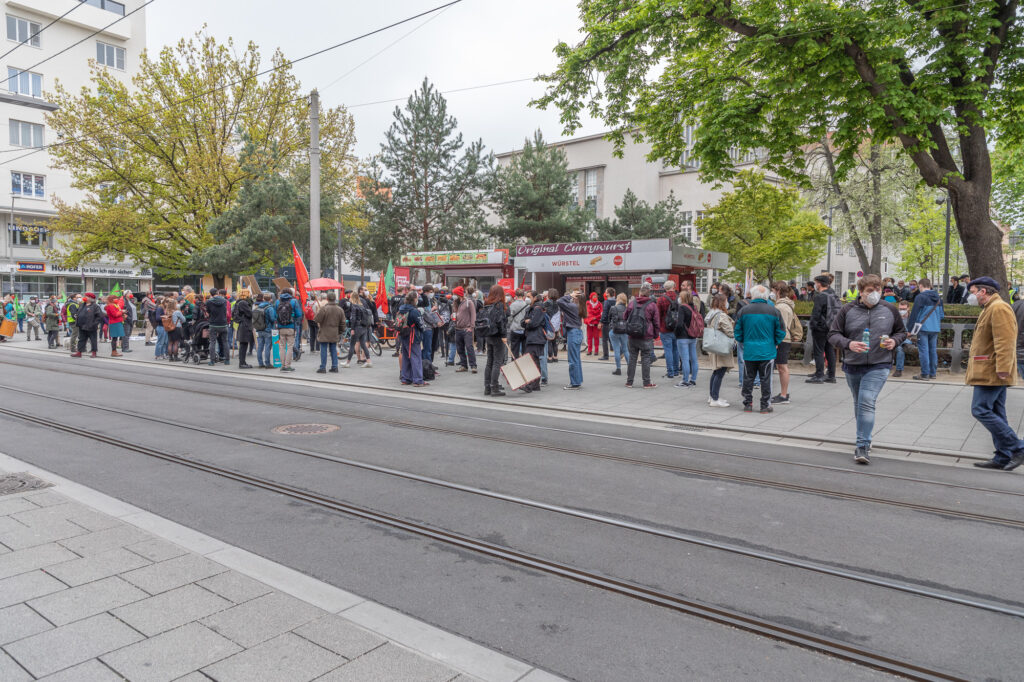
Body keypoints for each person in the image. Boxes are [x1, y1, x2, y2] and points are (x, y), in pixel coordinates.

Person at [828, 274, 907, 465]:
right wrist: (849, 344)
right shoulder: (848, 309)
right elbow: (833, 334)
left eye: (878, 289)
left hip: (879, 364)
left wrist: (894, 341)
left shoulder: (889, 309)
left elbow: (902, 332)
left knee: (866, 401)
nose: (875, 294)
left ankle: (862, 445)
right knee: (858, 402)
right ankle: (865, 436)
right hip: (853, 364)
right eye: (870, 291)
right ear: (861, 292)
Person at [964, 277, 1024, 471]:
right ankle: (1003, 455)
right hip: (990, 369)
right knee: (997, 412)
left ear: (984, 291)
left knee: (980, 409)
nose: (971, 296)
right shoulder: (991, 308)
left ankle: (1018, 447)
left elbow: (1005, 341)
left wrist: (1004, 368)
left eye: (973, 291)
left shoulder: (998, 308)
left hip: (992, 371)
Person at [735, 285, 785, 413]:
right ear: (766, 296)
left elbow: (737, 330)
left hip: (749, 350)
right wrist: (775, 342)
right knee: (766, 378)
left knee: (748, 377)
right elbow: (781, 331)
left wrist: (743, 341)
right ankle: (764, 405)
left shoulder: (744, 310)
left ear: (752, 295)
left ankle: (748, 403)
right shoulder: (773, 311)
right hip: (767, 350)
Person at [905, 277, 943, 381]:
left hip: (923, 327)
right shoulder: (939, 298)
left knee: (923, 351)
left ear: (920, 286)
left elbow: (914, 314)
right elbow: (941, 315)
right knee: (932, 350)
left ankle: (925, 374)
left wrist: (909, 329)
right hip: (935, 327)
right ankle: (932, 373)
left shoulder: (920, 297)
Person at [770, 282, 802, 405]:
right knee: (781, 366)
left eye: (773, 290)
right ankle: (783, 394)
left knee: (782, 367)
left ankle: (784, 395)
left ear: (778, 291)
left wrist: (777, 341)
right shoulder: (784, 305)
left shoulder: (781, 307)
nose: (771, 293)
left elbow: (781, 326)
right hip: (784, 339)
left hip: (782, 340)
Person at [623, 283, 660, 389]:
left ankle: (629, 382)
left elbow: (625, 316)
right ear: (649, 294)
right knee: (646, 358)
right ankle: (646, 382)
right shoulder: (652, 305)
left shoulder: (632, 303)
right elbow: (656, 322)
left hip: (632, 336)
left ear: (639, 293)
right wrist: (655, 335)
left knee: (632, 358)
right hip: (646, 336)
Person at [806, 274, 839, 384]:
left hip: (821, 327)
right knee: (829, 350)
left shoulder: (820, 296)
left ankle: (819, 375)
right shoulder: (833, 293)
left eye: (815, 283)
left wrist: (813, 326)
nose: (815, 285)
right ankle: (831, 375)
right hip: (831, 326)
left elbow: (816, 313)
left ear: (819, 283)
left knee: (818, 351)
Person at [705, 294, 736, 407]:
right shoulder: (721, 315)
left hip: (715, 345)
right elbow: (729, 331)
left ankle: (712, 396)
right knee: (720, 371)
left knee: (716, 371)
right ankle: (714, 399)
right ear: (722, 302)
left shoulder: (711, 313)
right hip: (721, 346)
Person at [480, 285, 508, 396]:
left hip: (488, 335)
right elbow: (500, 322)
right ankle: (494, 387)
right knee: (497, 362)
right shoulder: (499, 305)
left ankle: (487, 387)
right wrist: (504, 335)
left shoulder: (486, 304)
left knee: (489, 362)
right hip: (497, 336)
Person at [398, 291, 428, 386]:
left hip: (403, 335)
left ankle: (406, 378)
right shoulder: (414, 311)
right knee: (416, 358)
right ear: (415, 300)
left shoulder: (401, 309)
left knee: (406, 357)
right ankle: (418, 380)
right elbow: (421, 325)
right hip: (413, 336)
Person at [557, 288, 585, 390]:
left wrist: (570, 295)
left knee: (572, 360)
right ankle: (577, 381)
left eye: (574, 296)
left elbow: (559, 301)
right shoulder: (579, 306)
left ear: (576, 298)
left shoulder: (572, 306)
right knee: (576, 359)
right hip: (576, 332)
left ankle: (574, 383)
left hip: (573, 333)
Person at [314, 290, 346, 373]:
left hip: (324, 331)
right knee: (333, 349)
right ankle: (335, 367)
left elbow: (317, 319)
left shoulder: (324, 309)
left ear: (327, 299)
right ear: (335, 299)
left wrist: (318, 312)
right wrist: (340, 332)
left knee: (323, 349)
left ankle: (323, 367)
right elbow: (343, 323)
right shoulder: (340, 309)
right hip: (335, 332)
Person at [342, 290, 373, 368]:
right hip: (364, 327)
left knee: (352, 344)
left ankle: (347, 362)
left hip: (357, 328)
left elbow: (353, 318)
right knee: (363, 345)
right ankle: (368, 361)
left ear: (352, 297)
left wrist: (352, 329)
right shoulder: (361, 305)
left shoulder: (354, 306)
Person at [275, 288, 302, 372]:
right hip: (291, 327)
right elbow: (299, 314)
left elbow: (275, 314)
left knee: (282, 347)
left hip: (280, 327)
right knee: (290, 347)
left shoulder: (277, 302)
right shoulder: (294, 301)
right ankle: (288, 366)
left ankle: (282, 365)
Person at [656, 281, 679, 380]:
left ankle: (670, 372)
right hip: (677, 329)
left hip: (665, 328)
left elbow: (658, 315)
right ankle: (676, 371)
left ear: (665, 288)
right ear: (674, 287)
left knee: (668, 350)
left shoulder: (661, 299)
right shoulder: (679, 298)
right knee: (676, 350)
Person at [452, 286, 477, 373]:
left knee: (469, 347)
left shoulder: (469, 302)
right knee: (460, 348)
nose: (453, 296)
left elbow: (473, 315)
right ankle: (464, 365)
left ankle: (473, 365)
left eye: (455, 294)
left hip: (467, 329)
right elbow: (455, 314)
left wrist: (471, 327)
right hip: (458, 328)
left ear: (459, 294)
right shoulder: (455, 303)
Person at [70, 293, 102, 357]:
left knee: (93, 340)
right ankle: (79, 352)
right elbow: (78, 312)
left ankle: (94, 352)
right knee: (81, 339)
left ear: (90, 298)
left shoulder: (95, 306)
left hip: (91, 326)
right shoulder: (82, 305)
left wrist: (94, 324)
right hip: (82, 325)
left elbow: (99, 316)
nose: (84, 297)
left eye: (86, 296)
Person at [205, 289, 230, 366]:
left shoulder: (209, 301)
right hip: (223, 323)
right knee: (225, 342)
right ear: (217, 293)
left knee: (212, 342)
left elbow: (208, 312)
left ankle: (212, 361)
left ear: (211, 294)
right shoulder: (224, 301)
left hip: (213, 324)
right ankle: (227, 360)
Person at [607, 293, 629, 375]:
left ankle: (618, 369)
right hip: (625, 331)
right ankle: (630, 368)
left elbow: (609, 318)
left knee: (616, 350)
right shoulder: (628, 308)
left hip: (614, 331)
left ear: (618, 299)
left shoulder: (613, 308)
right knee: (625, 349)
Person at [234, 290, 254, 368]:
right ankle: (242, 363)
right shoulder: (243, 303)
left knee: (243, 344)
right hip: (245, 325)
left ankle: (243, 362)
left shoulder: (238, 302)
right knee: (243, 345)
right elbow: (249, 314)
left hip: (242, 325)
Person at [893, 300, 913, 378]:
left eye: (904, 309)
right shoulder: (895, 317)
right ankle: (899, 370)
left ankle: (898, 370)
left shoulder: (912, 317)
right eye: (900, 309)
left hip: (909, 338)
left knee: (899, 347)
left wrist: (911, 333)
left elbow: (916, 330)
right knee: (900, 348)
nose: (902, 311)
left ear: (908, 308)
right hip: (898, 338)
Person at [253, 293, 274, 369]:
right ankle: (267, 363)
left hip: (259, 329)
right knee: (267, 347)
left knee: (260, 347)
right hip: (267, 329)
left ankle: (260, 363)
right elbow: (272, 319)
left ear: (263, 299)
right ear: (270, 299)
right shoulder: (270, 308)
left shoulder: (258, 307)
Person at [507, 289, 529, 358]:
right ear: (523, 296)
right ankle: (524, 366)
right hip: (524, 329)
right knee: (525, 350)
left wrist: (509, 325)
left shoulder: (513, 305)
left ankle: (515, 365)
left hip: (515, 329)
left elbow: (509, 318)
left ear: (515, 296)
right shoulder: (527, 305)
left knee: (514, 350)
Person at [599, 287, 616, 360]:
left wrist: (601, 321)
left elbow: (605, 313)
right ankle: (617, 353)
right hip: (614, 322)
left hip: (606, 323)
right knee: (613, 339)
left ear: (608, 294)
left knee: (604, 340)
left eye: (606, 292)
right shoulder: (616, 301)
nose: (605, 293)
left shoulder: (607, 302)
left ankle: (606, 355)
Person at [584, 291, 602, 356]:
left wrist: (596, 319)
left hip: (596, 324)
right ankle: (589, 350)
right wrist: (588, 320)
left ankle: (596, 351)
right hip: (589, 324)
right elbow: (585, 313)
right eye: (594, 296)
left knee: (596, 338)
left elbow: (601, 314)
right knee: (589, 338)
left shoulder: (599, 304)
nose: (595, 297)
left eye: (596, 296)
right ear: (591, 297)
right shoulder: (587, 304)